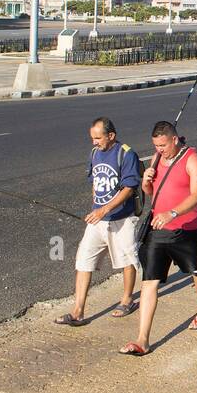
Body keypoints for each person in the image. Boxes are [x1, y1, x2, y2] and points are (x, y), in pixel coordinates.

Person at [119, 120, 197, 356]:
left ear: (174, 139)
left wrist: (173, 213)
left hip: (187, 227)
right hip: (158, 229)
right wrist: (146, 181)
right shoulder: (157, 158)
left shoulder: (191, 158)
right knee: (150, 281)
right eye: (155, 145)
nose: (159, 149)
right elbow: (151, 194)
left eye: (162, 145)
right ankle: (143, 340)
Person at [55, 117, 142, 326]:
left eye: (98, 138)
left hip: (122, 218)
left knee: (127, 260)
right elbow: (94, 179)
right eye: (92, 138)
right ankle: (78, 311)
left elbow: (129, 188)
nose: (94, 142)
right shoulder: (95, 153)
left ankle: (127, 299)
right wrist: (96, 202)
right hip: (98, 219)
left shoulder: (126, 154)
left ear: (111, 136)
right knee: (83, 260)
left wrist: (105, 209)